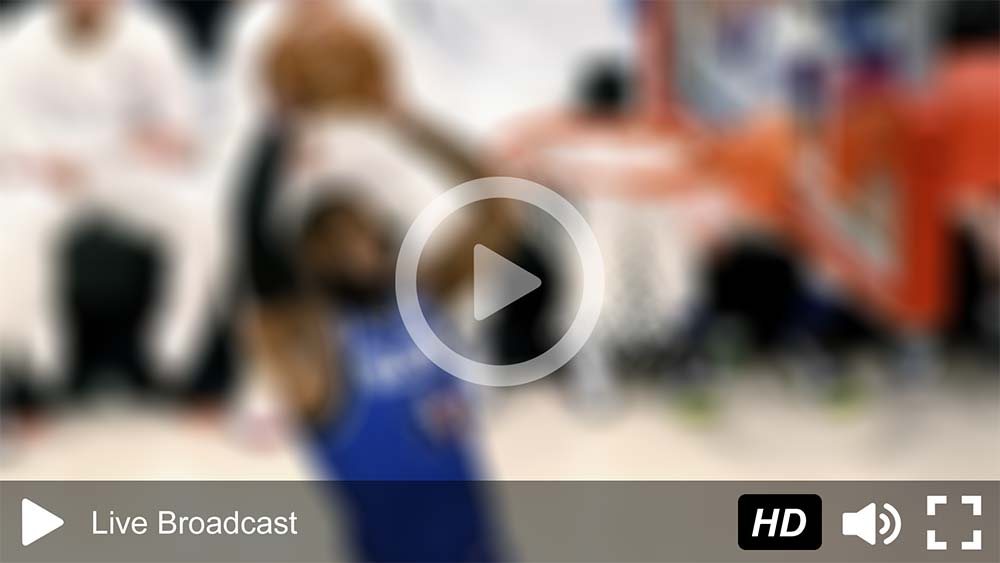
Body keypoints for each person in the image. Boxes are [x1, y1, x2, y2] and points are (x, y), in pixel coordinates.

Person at [238, 12, 508, 561]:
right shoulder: (310, 349)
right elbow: (254, 251)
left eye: (364, 231)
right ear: (310, 264)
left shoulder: (423, 296)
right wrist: (277, 130)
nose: (358, 247)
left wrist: (409, 123)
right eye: (336, 239)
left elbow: (495, 205)